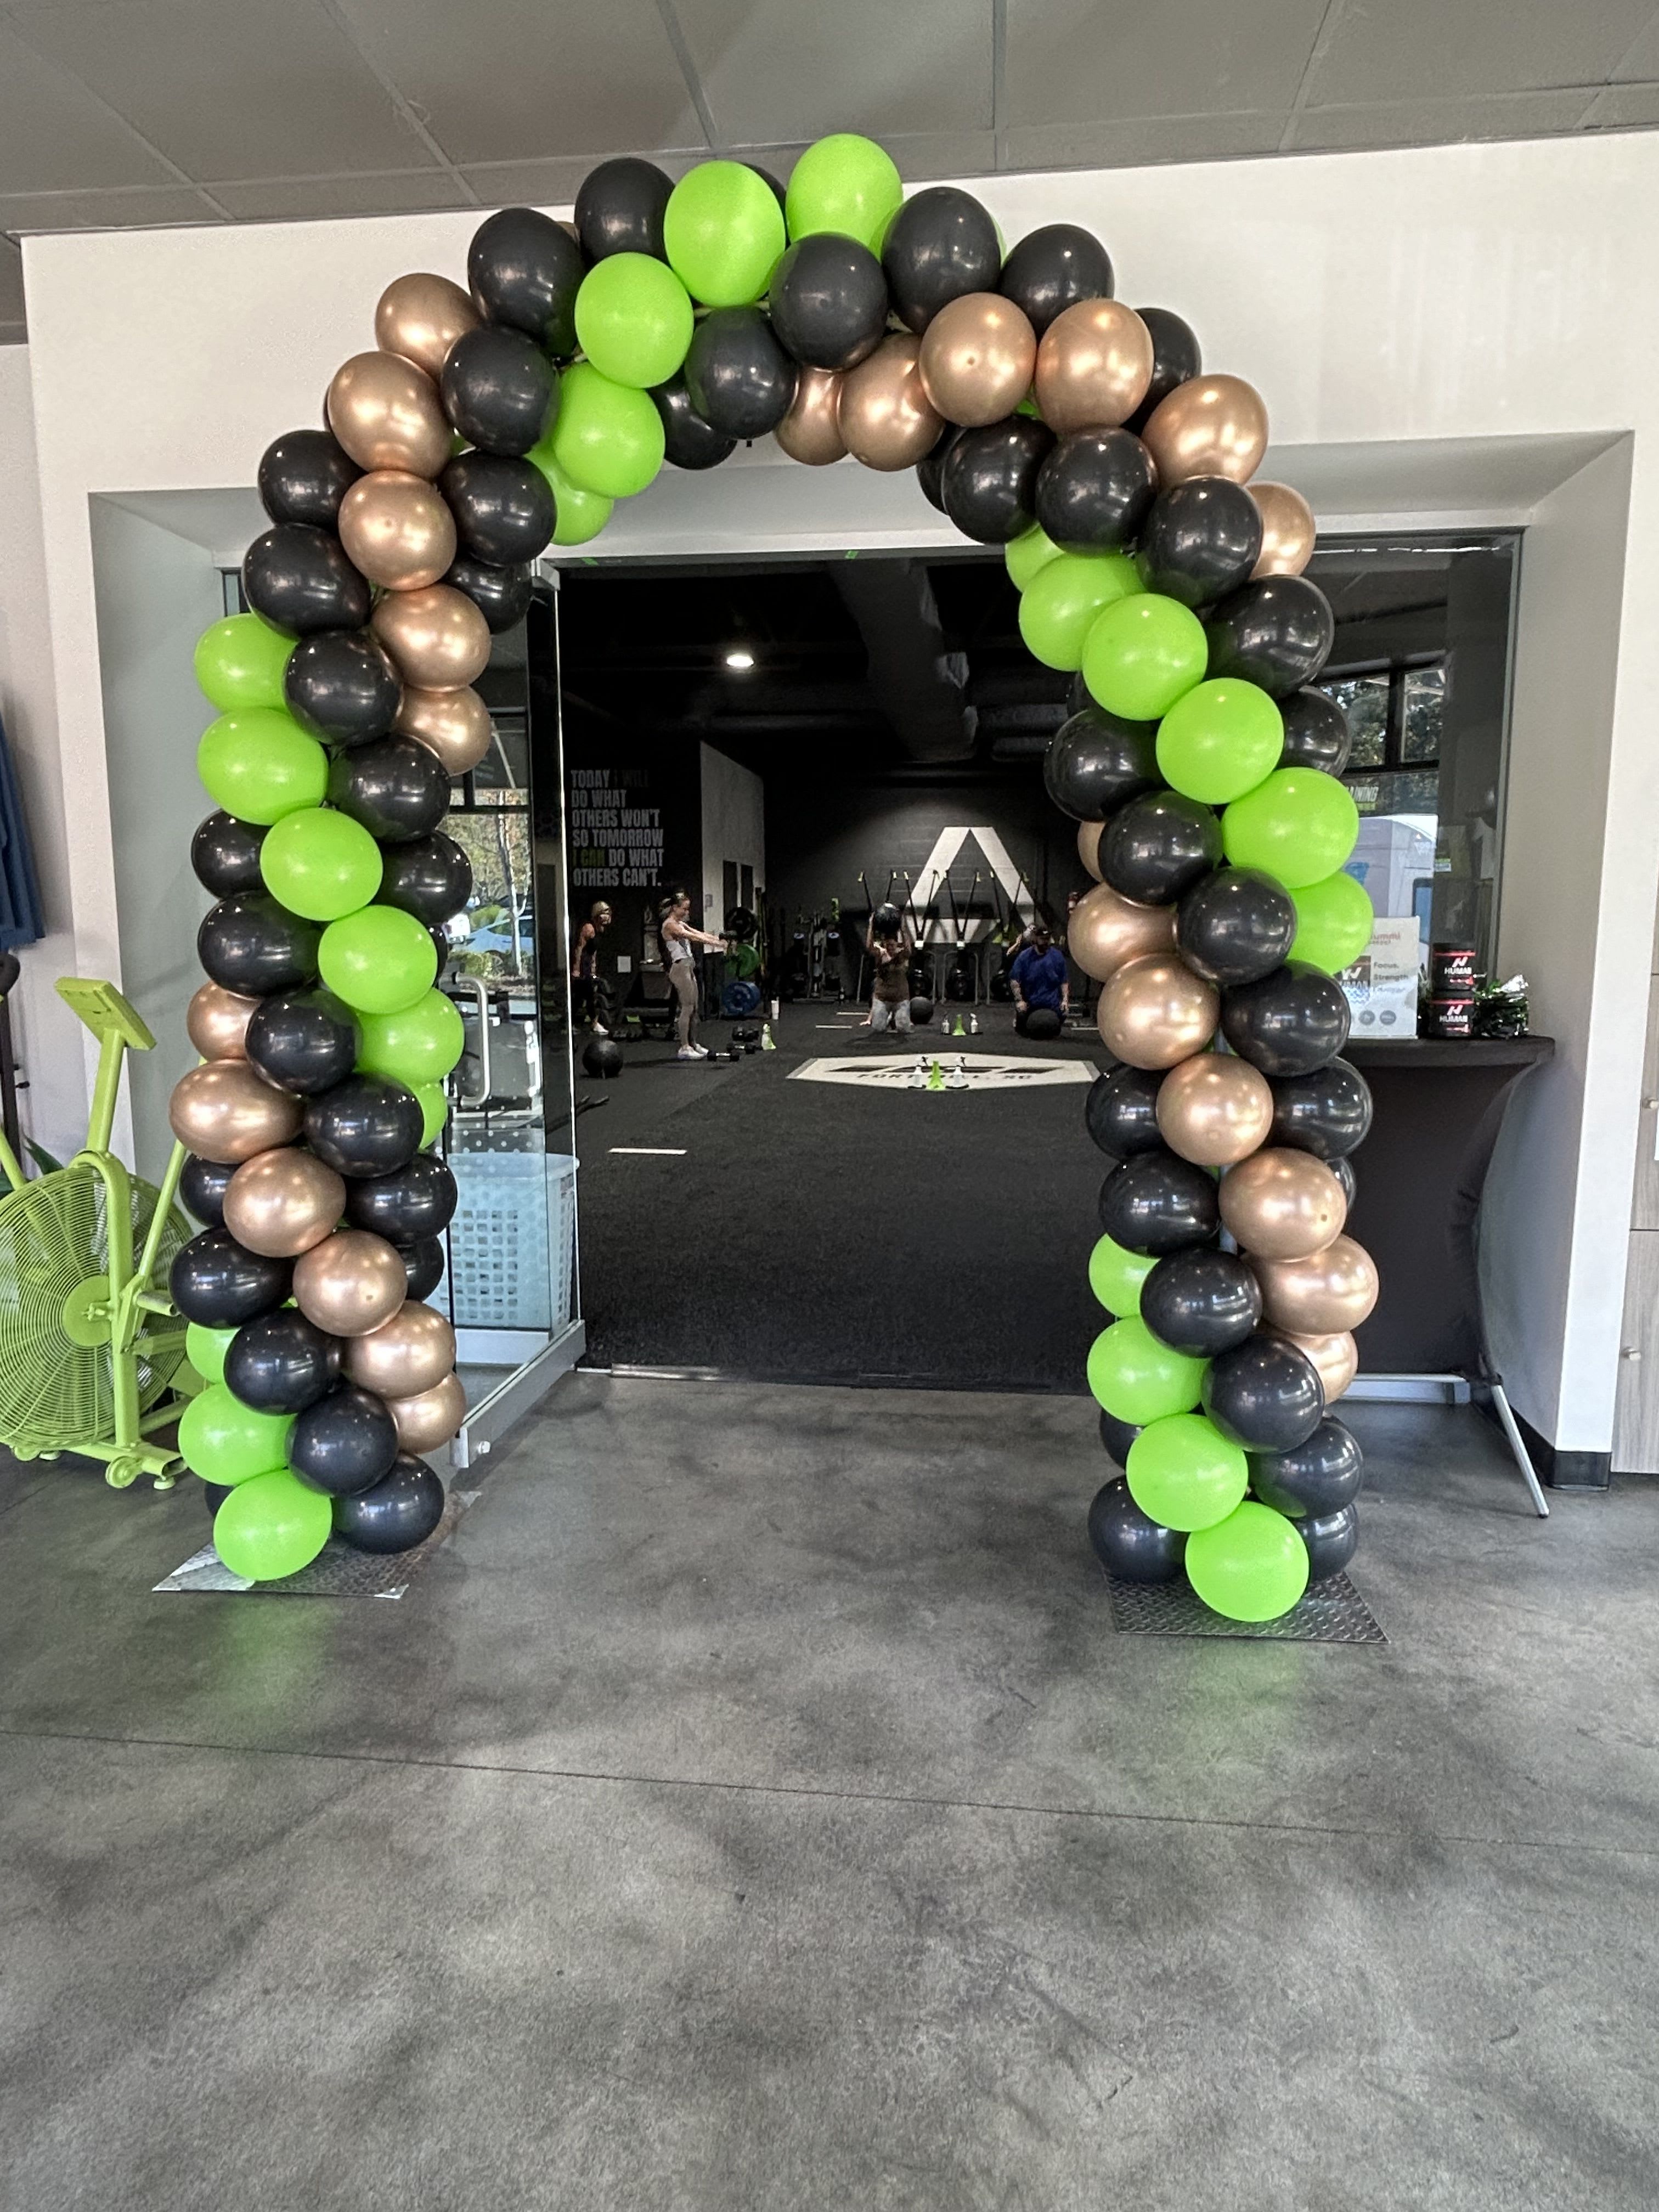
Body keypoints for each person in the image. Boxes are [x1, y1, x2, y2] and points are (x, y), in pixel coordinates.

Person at [659, 890, 726, 1061]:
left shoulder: (680, 923)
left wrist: (719, 938)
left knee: (695, 1008)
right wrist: (716, 943)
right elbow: (692, 937)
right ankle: (684, 1047)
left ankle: (694, 1044)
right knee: (687, 1007)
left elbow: (699, 933)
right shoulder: (670, 925)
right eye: (685, 909)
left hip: (688, 967)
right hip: (680, 968)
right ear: (675, 908)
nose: (687, 912)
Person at [1009, 921, 1069, 1035]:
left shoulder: (1057, 957)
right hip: (1031, 1003)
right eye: (1042, 939)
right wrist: (1020, 1001)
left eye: (1047, 939)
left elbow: (1064, 981)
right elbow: (1014, 981)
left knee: (1057, 1022)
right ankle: (1020, 1020)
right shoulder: (1024, 957)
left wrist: (1065, 1001)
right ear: (1035, 939)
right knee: (1024, 1031)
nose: (1046, 942)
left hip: (1051, 1004)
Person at [865, 919, 912, 1039]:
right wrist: (871, 926)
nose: (890, 948)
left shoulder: (902, 956)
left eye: (893, 945)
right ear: (884, 945)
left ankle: (894, 1019)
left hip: (900, 999)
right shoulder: (880, 954)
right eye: (888, 945)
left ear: (897, 944)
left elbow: (908, 948)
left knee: (903, 1029)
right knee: (878, 1029)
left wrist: (903, 929)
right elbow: (869, 946)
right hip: (883, 998)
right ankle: (889, 1018)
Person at [571, 901, 611, 1031]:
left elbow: (593, 951)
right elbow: (579, 949)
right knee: (588, 996)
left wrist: (593, 968)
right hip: (581, 966)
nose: (607, 916)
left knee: (581, 998)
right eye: (604, 913)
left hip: (588, 967)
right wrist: (576, 969)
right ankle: (594, 1023)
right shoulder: (588, 928)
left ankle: (571, 1023)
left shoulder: (599, 930)